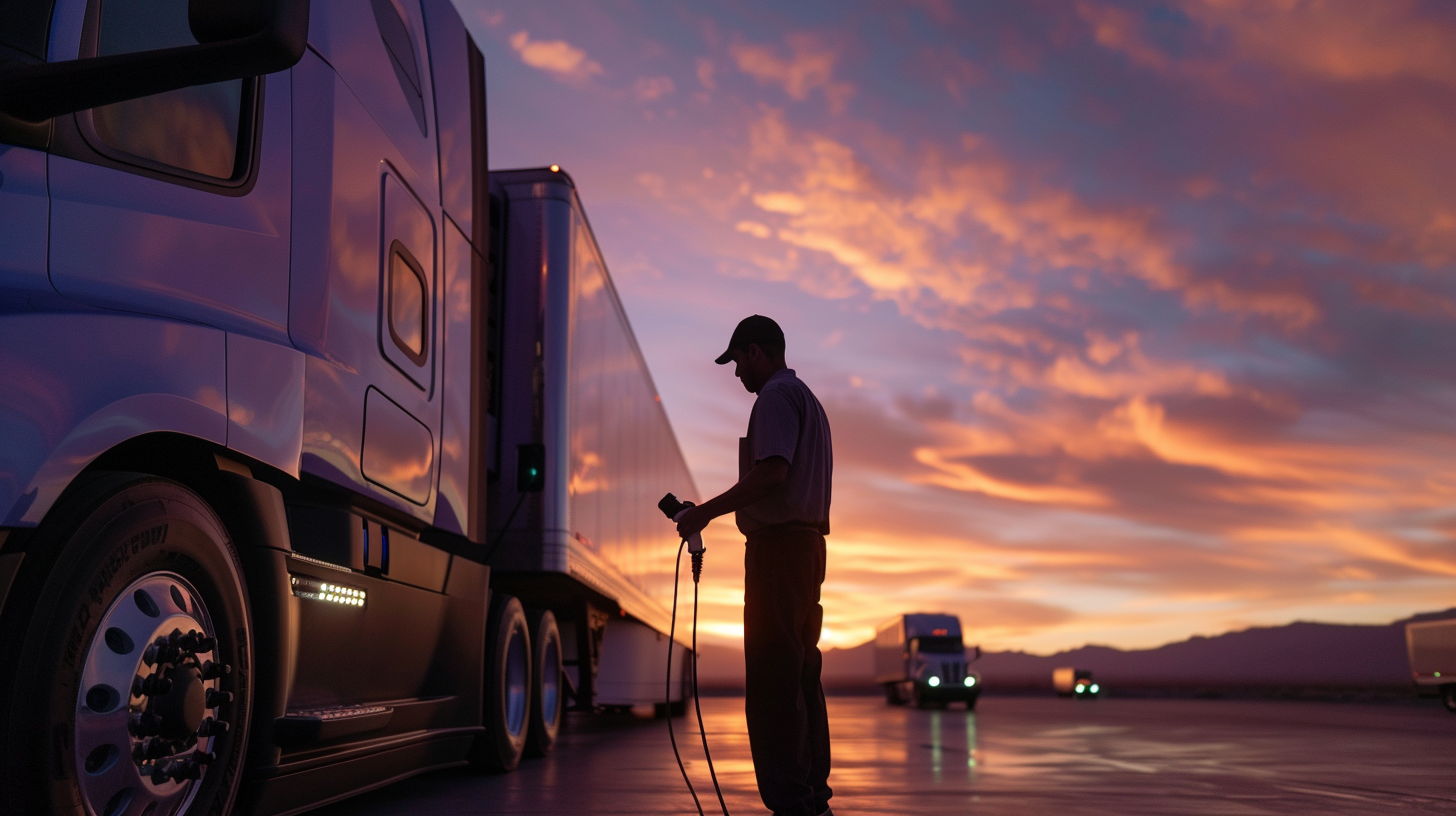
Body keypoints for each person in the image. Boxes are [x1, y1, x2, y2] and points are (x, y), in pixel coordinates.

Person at [675, 315, 835, 816]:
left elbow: (772, 473)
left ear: (757, 353)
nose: (737, 373)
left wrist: (703, 512)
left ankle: (791, 803)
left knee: (773, 681)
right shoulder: (809, 400)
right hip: (806, 550)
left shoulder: (774, 399)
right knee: (802, 673)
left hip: (779, 552)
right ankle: (812, 798)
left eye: (738, 361)